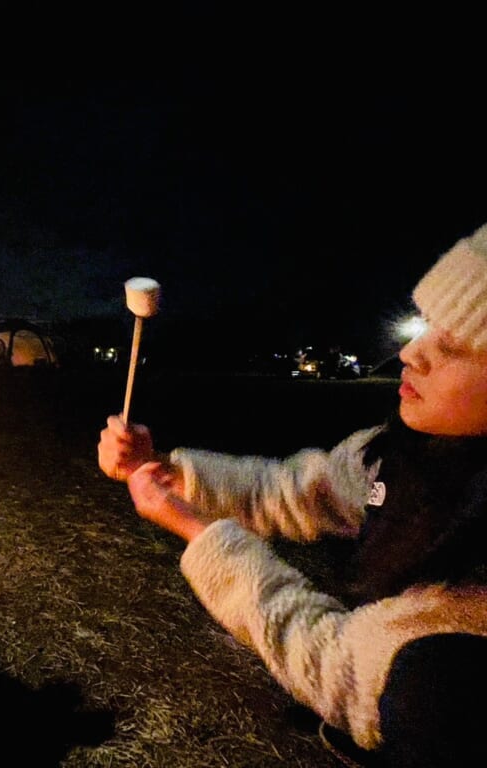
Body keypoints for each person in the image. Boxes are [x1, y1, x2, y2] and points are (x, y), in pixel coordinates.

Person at [98, 224, 487, 767]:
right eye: (427, 329)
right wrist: (166, 471)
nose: (410, 354)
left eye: (449, 348)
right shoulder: (400, 451)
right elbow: (297, 492)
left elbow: (341, 670)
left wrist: (199, 533)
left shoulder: (459, 639)